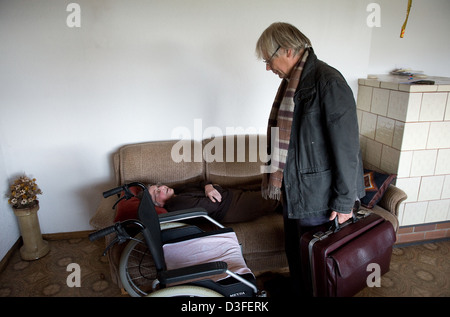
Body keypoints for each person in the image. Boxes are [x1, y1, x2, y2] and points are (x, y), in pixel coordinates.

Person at [255, 22, 365, 295]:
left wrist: (344, 202)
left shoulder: (328, 82)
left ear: (289, 50)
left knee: (318, 265)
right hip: (297, 193)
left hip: (320, 198)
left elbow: (346, 148)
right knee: (298, 257)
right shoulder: (294, 83)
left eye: (269, 60)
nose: (268, 67)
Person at [147, 181, 279, 223]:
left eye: (159, 187)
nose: (162, 188)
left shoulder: (178, 192)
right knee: (276, 198)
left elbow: (201, 181)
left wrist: (208, 187)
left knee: (274, 184)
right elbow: (214, 203)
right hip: (230, 207)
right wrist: (214, 187)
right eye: (157, 192)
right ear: (159, 205)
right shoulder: (176, 204)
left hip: (231, 194)